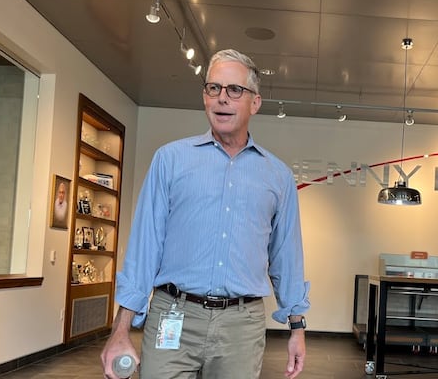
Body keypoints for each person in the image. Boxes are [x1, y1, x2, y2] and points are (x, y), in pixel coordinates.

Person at [101, 49, 310, 379]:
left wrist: (297, 328)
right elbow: (144, 249)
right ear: (204, 96)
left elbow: (287, 257)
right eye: (214, 88)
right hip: (172, 314)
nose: (222, 99)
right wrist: (120, 330)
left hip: (241, 326)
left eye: (234, 90)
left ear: (255, 102)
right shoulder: (170, 160)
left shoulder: (278, 176)